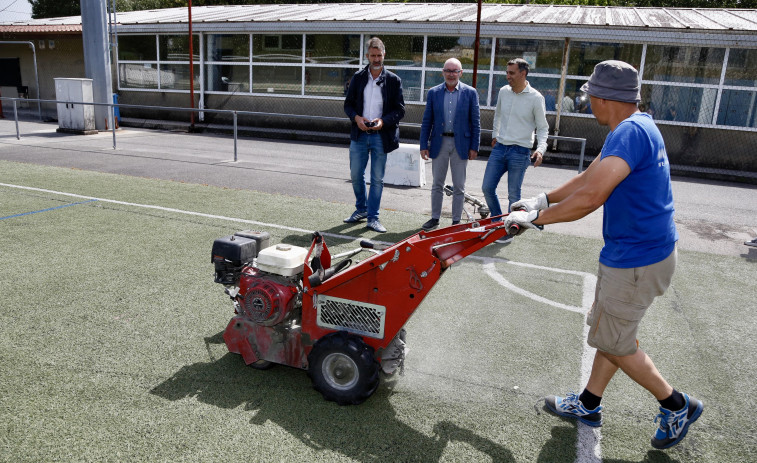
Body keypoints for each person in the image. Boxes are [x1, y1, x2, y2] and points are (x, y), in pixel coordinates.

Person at [505, 60, 703, 450]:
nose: (587, 102)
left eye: (590, 96)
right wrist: (540, 199)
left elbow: (592, 198)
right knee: (609, 330)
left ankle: (677, 404)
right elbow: (588, 179)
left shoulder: (629, 134)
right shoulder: (634, 127)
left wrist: (537, 219)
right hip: (640, 253)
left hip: (637, 260)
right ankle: (589, 403)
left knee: (614, 341)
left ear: (604, 98)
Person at [343, 37, 406, 233]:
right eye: (373, 55)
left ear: (384, 55)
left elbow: (400, 110)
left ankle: (373, 217)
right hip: (360, 134)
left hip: (381, 135)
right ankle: (361, 209)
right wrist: (357, 118)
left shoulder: (394, 80)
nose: (376, 59)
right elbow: (348, 105)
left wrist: (383, 122)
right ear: (367, 56)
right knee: (355, 175)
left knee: (377, 178)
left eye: (379, 55)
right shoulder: (358, 77)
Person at [482, 57, 548, 242]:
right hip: (500, 147)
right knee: (487, 187)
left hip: (520, 152)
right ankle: (497, 223)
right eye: (507, 72)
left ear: (523, 73)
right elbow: (498, 116)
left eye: (511, 73)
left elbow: (543, 127)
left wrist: (540, 150)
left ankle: (509, 231)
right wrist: (495, 135)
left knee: (514, 195)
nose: (507, 76)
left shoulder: (536, 97)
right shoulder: (504, 92)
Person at [418, 58, 481, 230]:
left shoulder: (470, 93)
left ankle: (455, 222)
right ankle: (435, 218)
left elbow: (475, 122)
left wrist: (474, 146)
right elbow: (427, 121)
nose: (451, 74)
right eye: (448, 70)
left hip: (461, 144)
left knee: (459, 186)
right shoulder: (433, 93)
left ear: (461, 73)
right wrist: (424, 144)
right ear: (443, 72)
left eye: (455, 71)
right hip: (439, 143)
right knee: (437, 183)